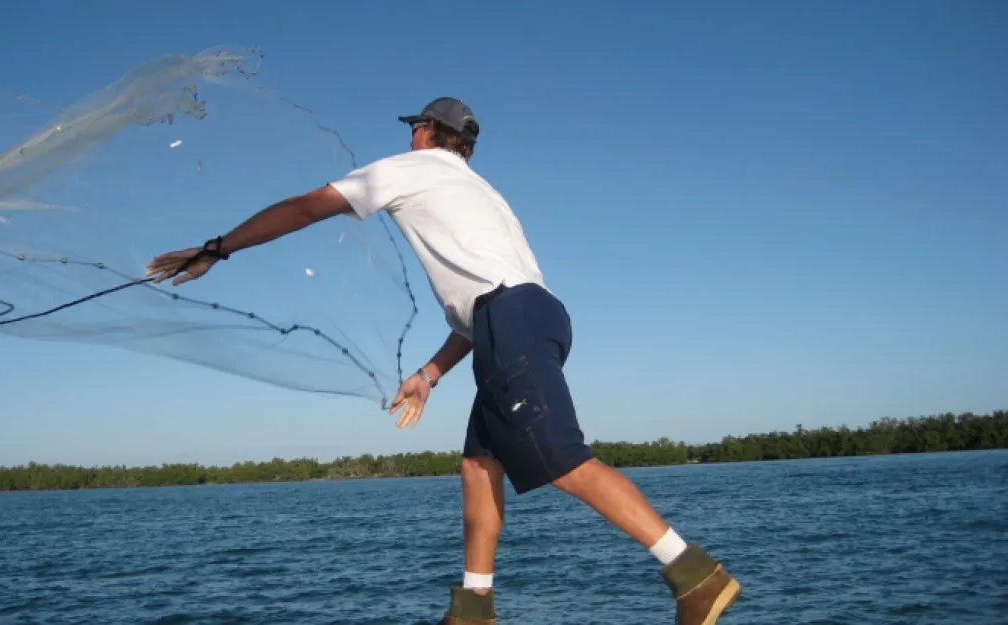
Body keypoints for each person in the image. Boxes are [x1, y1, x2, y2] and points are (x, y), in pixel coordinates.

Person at [145, 97, 741, 625]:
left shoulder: (411, 169)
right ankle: (474, 608)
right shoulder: (481, 193)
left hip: (508, 316)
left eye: (415, 128)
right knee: (480, 466)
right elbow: (474, 312)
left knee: (558, 454)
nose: (410, 137)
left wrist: (215, 249)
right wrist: (429, 375)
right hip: (530, 319)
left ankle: (696, 575)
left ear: (428, 131)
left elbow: (306, 207)